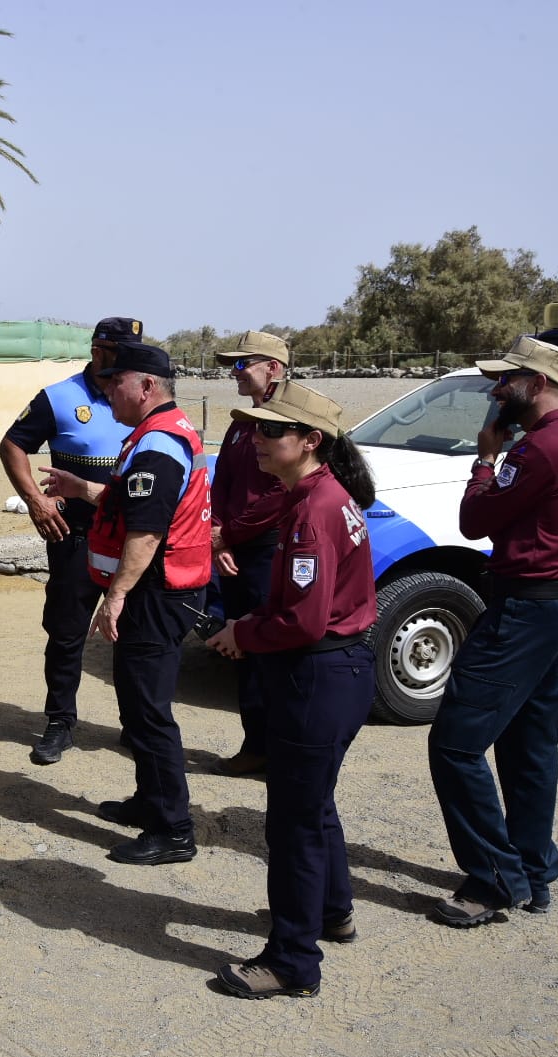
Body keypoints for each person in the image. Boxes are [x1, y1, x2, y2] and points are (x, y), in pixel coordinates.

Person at [203, 381, 378, 1000]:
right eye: (255, 427)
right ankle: (332, 912)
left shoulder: (313, 509)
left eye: (271, 430)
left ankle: (292, 962)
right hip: (337, 672)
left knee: (294, 824)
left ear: (311, 441)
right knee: (314, 804)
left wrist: (243, 633)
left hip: (318, 675)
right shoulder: (314, 495)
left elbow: (303, 620)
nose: (256, 438)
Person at [427, 337, 558, 928]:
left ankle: (496, 879)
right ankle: (533, 869)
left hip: (526, 611)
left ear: (539, 382)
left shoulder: (544, 450)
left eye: (507, 380)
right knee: (529, 745)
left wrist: (485, 459)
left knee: (455, 743)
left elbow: (474, 520)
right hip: (556, 607)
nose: (496, 389)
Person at [40, 342, 211, 865]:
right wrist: (82, 486)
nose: (107, 388)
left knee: (148, 710)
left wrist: (115, 597)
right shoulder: (157, 436)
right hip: (160, 590)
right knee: (137, 702)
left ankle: (173, 829)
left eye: (117, 382)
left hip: (156, 593)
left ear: (146, 387)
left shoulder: (157, 444)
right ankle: (149, 802)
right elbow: (130, 499)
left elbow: (146, 529)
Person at [0, 317, 140, 765]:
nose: (121, 363)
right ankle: (60, 721)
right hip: (76, 538)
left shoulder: (143, 399)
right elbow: (12, 444)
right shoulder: (59, 397)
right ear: (98, 350)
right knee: (65, 634)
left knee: (136, 634)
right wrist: (36, 501)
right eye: (116, 353)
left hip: (134, 542)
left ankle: (136, 724)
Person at [209, 330, 291, 777]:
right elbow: (220, 480)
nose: (234, 373)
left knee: (268, 649)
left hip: (266, 551)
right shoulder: (243, 420)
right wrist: (219, 532)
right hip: (235, 546)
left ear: (272, 368)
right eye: (232, 365)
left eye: (242, 364)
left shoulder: (289, 420)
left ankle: (274, 747)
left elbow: (281, 492)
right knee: (242, 647)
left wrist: (228, 537)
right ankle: (256, 744)